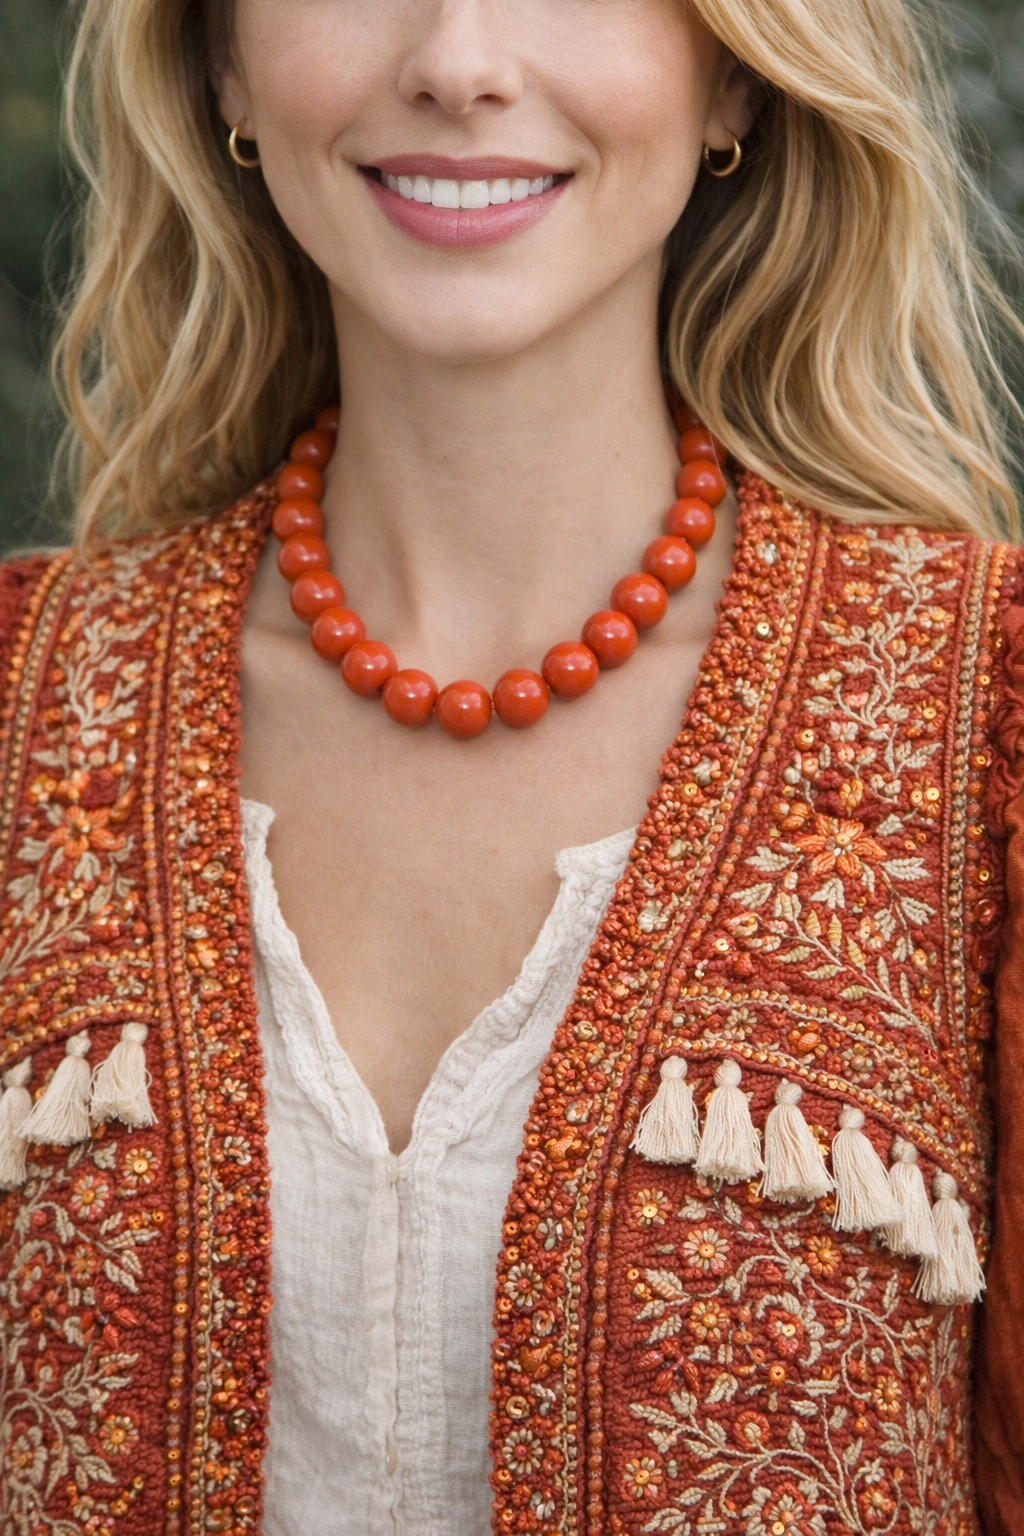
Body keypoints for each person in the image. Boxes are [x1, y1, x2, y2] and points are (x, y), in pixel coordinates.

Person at [0, 0, 1022, 1532]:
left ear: (735, 74)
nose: (458, 61)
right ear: (220, 60)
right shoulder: (25, 700)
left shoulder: (985, 715)